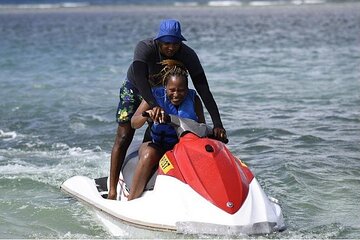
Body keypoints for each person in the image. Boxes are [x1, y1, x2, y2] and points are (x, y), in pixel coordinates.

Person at [108, 19, 227, 200]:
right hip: (138, 88)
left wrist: (218, 124)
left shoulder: (188, 56)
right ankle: (112, 190)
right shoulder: (145, 48)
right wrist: (153, 106)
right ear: (158, 41)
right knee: (124, 134)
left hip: (168, 91)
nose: (171, 48)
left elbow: (204, 89)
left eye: (175, 43)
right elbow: (140, 77)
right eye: (166, 43)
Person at [128, 60, 205, 200]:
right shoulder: (154, 96)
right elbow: (134, 123)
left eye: (181, 90)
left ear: (187, 89)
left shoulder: (194, 99)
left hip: (182, 148)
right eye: (172, 90)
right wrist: (147, 114)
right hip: (156, 144)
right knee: (150, 154)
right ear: (165, 87)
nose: (176, 94)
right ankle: (131, 199)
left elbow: (202, 126)